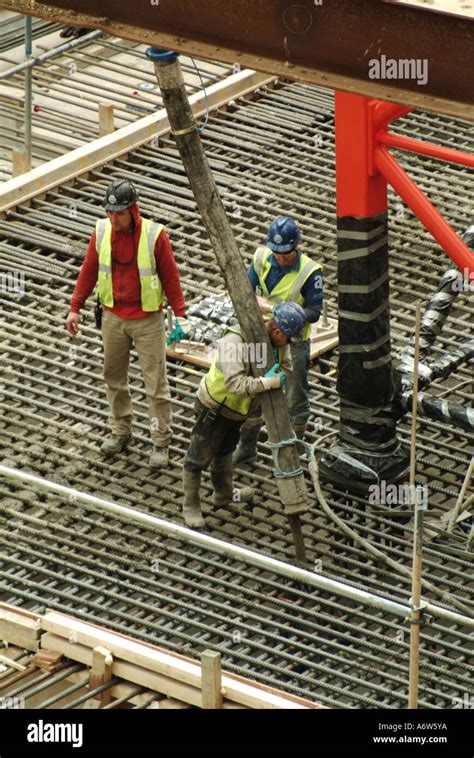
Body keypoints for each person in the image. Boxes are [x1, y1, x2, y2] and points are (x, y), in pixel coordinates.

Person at [66, 178, 188, 468]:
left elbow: (171, 276)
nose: (113, 217)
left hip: (147, 320)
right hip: (112, 317)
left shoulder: (154, 236)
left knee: (155, 384)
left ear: (133, 210)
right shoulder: (101, 232)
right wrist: (75, 307)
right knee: (113, 377)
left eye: (118, 213)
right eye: (109, 211)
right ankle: (121, 430)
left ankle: (160, 441)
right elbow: (89, 270)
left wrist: (180, 314)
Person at [182, 302, 307, 528]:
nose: (288, 345)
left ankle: (223, 495)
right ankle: (191, 505)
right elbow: (233, 384)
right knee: (198, 457)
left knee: (224, 452)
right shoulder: (236, 341)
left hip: (238, 411)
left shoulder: (278, 342)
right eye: (287, 340)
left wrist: (278, 374)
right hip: (215, 406)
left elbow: (287, 366)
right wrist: (265, 382)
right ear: (277, 331)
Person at [233, 215, 323, 465]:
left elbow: (315, 311)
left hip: (293, 342)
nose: (281, 257)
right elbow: (246, 291)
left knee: (294, 393)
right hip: (265, 338)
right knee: (256, 390)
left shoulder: (309, 271)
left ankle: (293, 451)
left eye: (286, 253)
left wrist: (286, 313)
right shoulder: (261, 258)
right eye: (277, 252)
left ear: (296, 246)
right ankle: (247, 447)